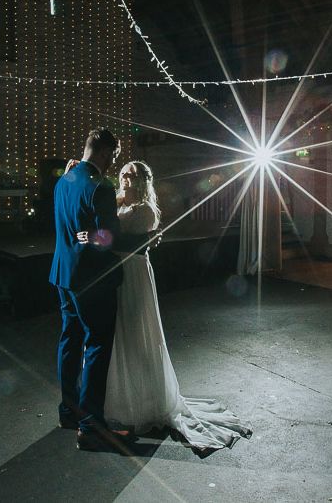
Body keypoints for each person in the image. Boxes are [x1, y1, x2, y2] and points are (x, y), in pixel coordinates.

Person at [77, 160, 252, 453]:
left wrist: (108, 237)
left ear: (144, 180)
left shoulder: (145, 211)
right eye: (123, 174)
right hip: (115, 271)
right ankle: (117, 397)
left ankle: (145, 401)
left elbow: (124, 239)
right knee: (118, 334)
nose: (126, 179)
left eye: (132, 175)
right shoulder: (115, 203)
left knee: (136, 332)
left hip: (133, 272)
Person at [49, 129, 150, 452]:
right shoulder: (100, 187)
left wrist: (84, 236)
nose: (112, 165)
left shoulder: (63, 181)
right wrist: (144, 242)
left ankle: (69, 412)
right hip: (92, 278)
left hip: (63, 276)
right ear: (106, 153)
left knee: (69, 341)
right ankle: (91, 427)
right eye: (114, 157)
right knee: (96, 345)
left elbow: (74, 232)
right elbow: (108, 240)